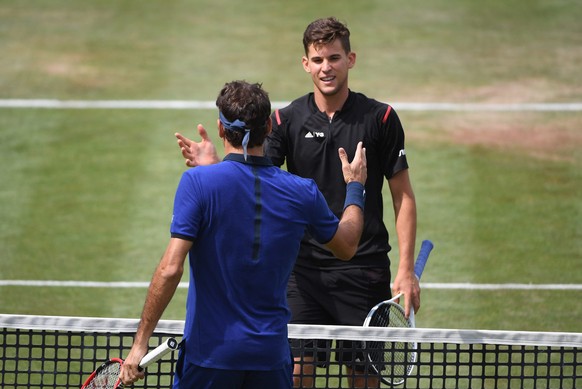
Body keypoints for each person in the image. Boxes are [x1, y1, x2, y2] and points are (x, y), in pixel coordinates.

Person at [176, 17, 419, 388]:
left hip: (364, 271)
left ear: (350, 59)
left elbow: (403, 196)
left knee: (364, 381)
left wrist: (405, 269)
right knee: (294, 376)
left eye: (334, 58)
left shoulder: (380, 118)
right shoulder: (286, 120)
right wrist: (215, 167)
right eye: (318, 60)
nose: (327, 68)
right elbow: (253, 180)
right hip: (302, 274)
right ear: (306, 64)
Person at [119, 80, 368, 389]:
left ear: (220, 130)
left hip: (209, 357)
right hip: (270, 359)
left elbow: (170, 268)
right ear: (269, 126)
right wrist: (355, 185)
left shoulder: (198, 184)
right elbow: (347, 245)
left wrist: (140, 343)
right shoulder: (302, 192)